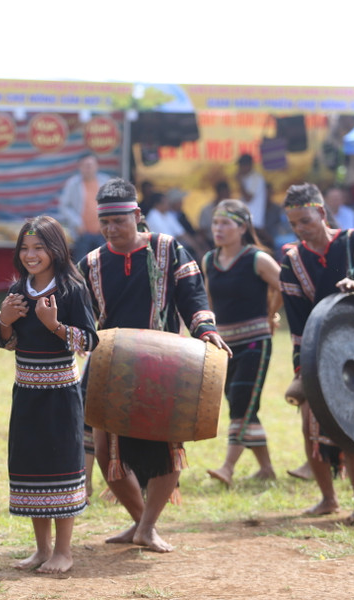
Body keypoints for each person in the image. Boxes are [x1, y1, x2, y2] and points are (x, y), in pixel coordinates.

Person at [78, 178, 230, 552]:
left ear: (137, 216)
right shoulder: (92, 264)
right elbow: (80, 317)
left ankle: (147, 526)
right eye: (105, 223)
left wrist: (206, 330)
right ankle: (140, 522)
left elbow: (193, 297)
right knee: (107, 453)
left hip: (164, 367)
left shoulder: (168, 250)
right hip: (111, 368)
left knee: (167, 449)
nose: (112, 230)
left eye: (119, 221)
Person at [279, 183, 354, 523]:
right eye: (295, 224)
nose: (301, 229)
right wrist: (302, 369)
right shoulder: (292, 260)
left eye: (306, 221)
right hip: (316, 353)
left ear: (323, 214)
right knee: (309, 424)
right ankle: (328, 498)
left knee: (352, 425)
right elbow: (297, 323)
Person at [0, 215, 98, 574]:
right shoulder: (17, 290)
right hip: (26, 391)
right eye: (24, 248)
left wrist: (54, 327)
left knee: (61, 465)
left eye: (38, 247)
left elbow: (89, 340)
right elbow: (9, 343)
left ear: (55, 249)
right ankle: (41, 550)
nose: (30, 254)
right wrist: (6, 321)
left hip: (61, 394)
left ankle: (64, 551)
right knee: (32, 465)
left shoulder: (73, 289)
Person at [203, 199, 283, 487]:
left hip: (255, 343)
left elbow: (284, 286)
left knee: (240, 404)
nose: (219, 229)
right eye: (215, 223)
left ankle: (227, 467)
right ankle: (266, 468)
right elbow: (209, 301)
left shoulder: (257, 259)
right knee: (244, 406)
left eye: (225, 223)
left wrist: (271, 313)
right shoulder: (209, 260)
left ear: (242, 227)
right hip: (224, 345)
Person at [58, 153, 110, 259]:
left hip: (102, 233)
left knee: (103, 264)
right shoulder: (73, 184)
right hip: (82, 234)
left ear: (96, 166)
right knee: (81, 266)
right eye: (85, 166)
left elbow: (112, 204)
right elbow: (64, 206)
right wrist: (76, 222)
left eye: (91, 165)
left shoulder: (105, 181)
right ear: (80, 167)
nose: (88, 168)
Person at [234, 153, 266, 232]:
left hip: (254, 222)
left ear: (249, 165)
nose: (240, 168)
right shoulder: (246, 178)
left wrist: (240, 181)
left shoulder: (256, 178)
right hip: (246, 221)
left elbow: (248, 198)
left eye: (241, 166)